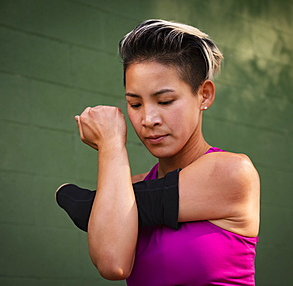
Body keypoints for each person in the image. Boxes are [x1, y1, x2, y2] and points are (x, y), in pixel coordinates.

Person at [56, 19, 260, 285]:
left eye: (165, 101)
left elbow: (112, 216)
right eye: (135, 103)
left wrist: (94, 205)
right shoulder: (127, 188)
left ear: (205, 95)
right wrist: (112, 143)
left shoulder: (232, 172)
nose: (148, 118)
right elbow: (112, 263)